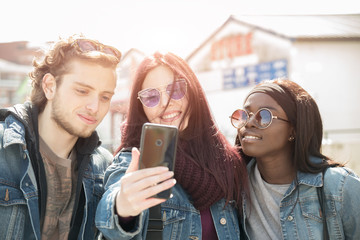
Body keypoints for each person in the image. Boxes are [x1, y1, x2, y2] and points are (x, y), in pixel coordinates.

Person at [95, 52, 249, 239]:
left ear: (193, 91)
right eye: (151, 96)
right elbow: (112, 210)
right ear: (140, 106)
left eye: (175, 89)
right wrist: (123, 207)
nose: (166, 103)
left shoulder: (226, 160)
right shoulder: (136, 160)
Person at [0, 35, 121, 239]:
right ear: (49, 86)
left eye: (105, 97)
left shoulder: (105, 167)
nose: (95, 107)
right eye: (82, 91)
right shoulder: (4, 147)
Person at [229, 78, 360, 239]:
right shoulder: (233, 186)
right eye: (245, 114)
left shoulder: (339, 187)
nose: (249, 123)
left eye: (264, 116)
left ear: (294, 129)